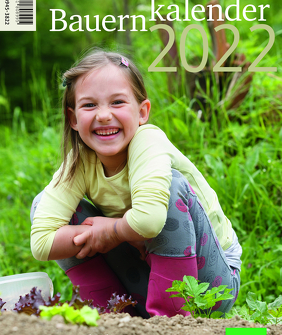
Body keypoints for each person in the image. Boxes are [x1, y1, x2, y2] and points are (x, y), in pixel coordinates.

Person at [30, 48, 242, 318]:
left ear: (142, 112)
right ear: (73, 119)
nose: (104, 115)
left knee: (171, 187)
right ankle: (114, 316)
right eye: (89, 105)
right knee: (42, 206)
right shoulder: (79, 161)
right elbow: (41, 242)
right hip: (148, 273)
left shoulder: (147, 141)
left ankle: (170, 323)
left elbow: (150, 221)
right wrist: (101, 234)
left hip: (208, 282)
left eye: (117, 102)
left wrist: (111, 231)